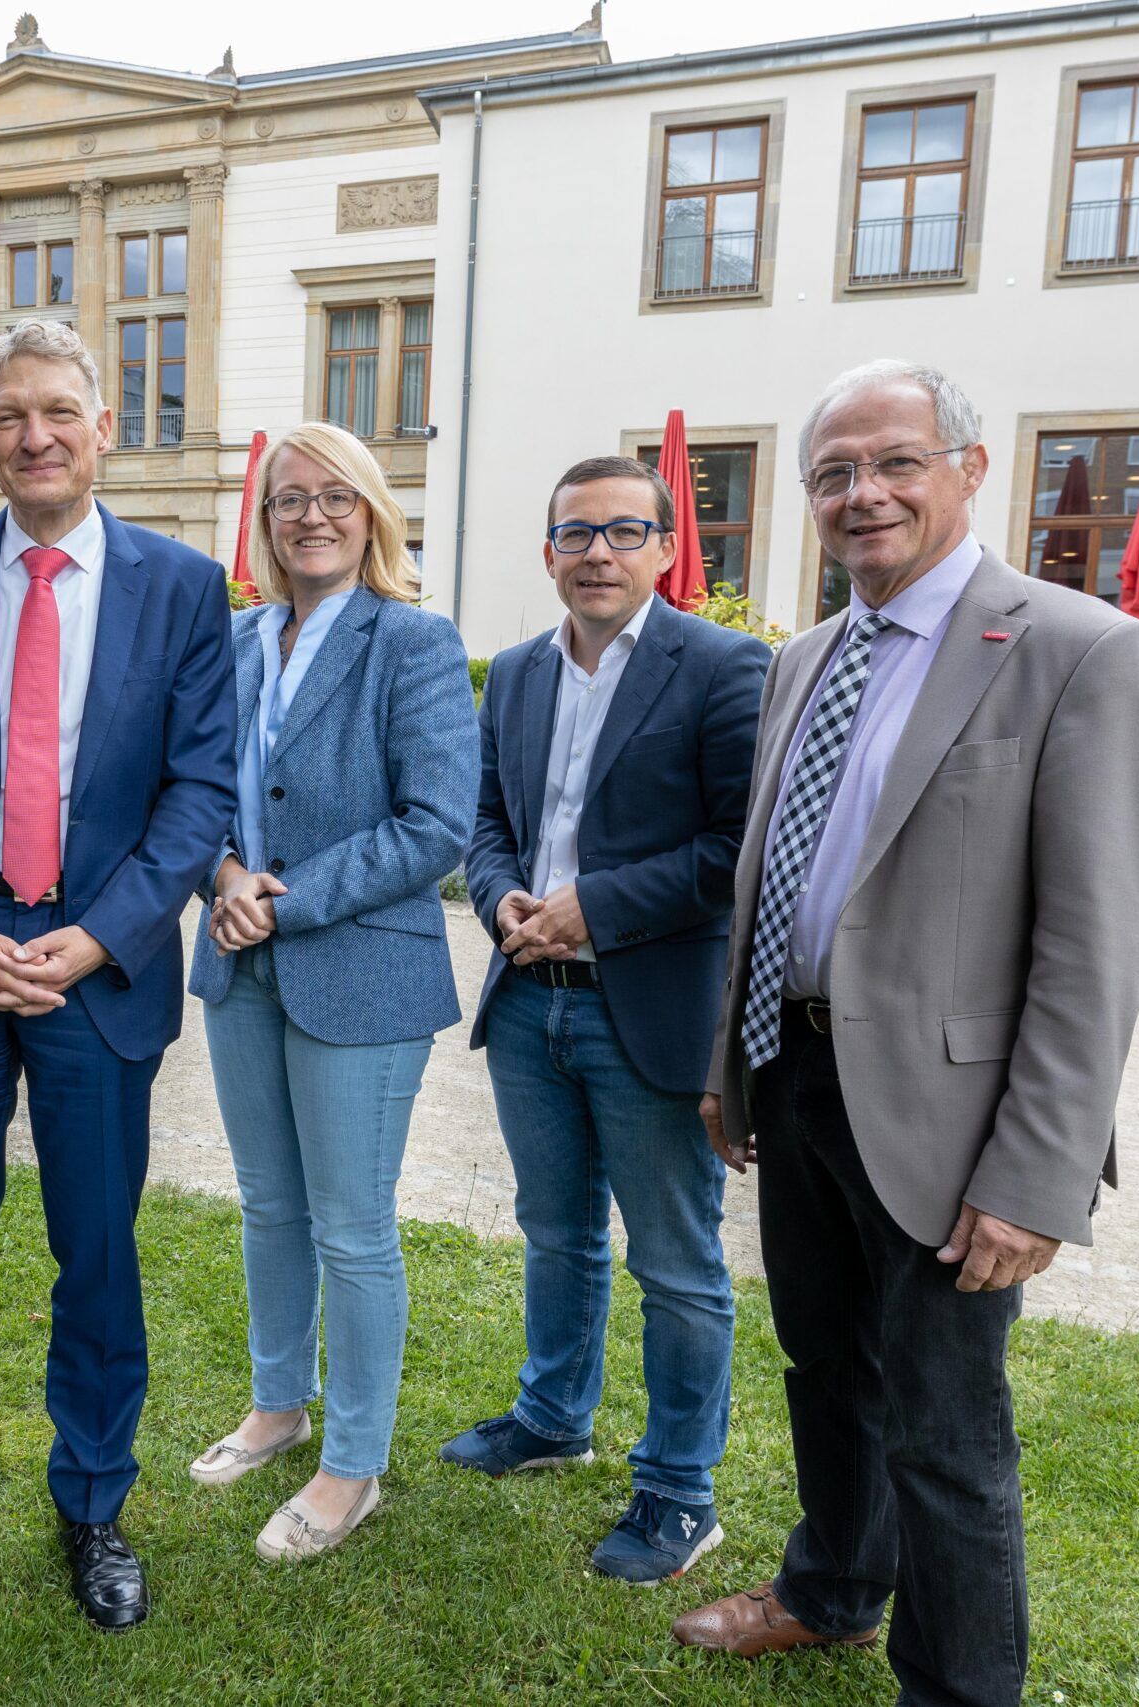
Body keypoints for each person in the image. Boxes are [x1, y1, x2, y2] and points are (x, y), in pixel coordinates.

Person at [674, 360, 1139, 1706]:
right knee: (824, 1363)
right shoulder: (803, 659)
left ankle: (957, 1684)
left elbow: (1097, 945)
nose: (863, 493)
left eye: (895, 460)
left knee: (949, 1430)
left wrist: (1037, 1172)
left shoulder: (1082, 649)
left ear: (969, 468)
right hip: (799, 1076)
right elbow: (765, 877)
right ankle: (834, 1584)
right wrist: (737, 1067)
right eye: (833, 472)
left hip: (955, 1120)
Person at [0, 318, 236, 1632]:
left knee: (98, 1254)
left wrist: (105, 930)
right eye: (11, 414)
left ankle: (93, 1498)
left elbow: (199, 788)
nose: (36, 435)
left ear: (105, 422)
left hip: (98, 965)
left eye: (59, 410)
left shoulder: (183, 587)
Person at [447, 455, 769, 1584]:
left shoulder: (727, 668)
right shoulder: (519, 671)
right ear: (546, 553)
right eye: (575, 534)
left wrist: (598, 906)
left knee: (677, 1265)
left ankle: (681, 1491)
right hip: (529, 998)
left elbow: (743, 849)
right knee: (556, 1231)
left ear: (667, 550)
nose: (597, 552)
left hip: (650, 1012)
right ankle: (551, 1419)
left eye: (624, 531)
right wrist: (500, 902)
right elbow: (486, 820)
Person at [185, 423, 477, 1561]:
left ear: (370, 514)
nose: (311, 515)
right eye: (290, 498)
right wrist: (219, 876)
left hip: (359, 966)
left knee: (352, 1229)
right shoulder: (234, 638)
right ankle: (278, 1403)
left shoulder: (414, 641)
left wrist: (281, 897)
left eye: (334, 497)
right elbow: (195, 787)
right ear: (264, 520)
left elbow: (436, 824)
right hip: (237, 959)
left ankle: (351, 1465)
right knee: (269, 1205)